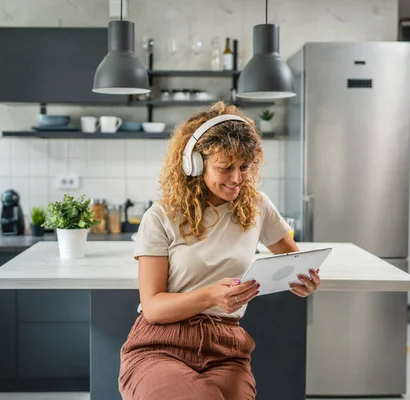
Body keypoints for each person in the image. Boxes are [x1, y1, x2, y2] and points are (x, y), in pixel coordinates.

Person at [118, 102, 321, 400]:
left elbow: (292, 259)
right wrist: (212, 296)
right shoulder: (161, 216)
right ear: (195, 165)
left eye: (244, 167)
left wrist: (305, 280)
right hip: (161, 345)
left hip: (226, 347)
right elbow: (153, 308)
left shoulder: (257, 206)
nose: (237, 178)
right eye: (225, 167)